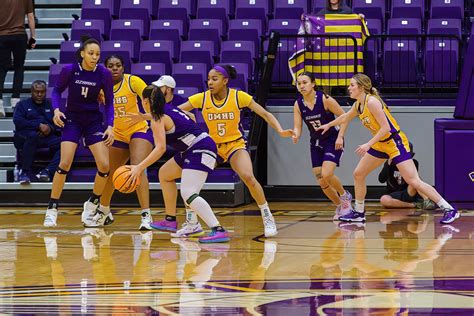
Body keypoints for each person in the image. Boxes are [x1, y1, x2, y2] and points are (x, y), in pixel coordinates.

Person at [164, 64, 294, 238]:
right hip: (211, 146)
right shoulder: (201, 98)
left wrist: (280, 130)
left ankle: (267, 217)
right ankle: (192, 223)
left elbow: (264, 113)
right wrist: (189, 117)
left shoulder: (238, 96)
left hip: (234, 145)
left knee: (248, 177)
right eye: (208, 79)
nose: (210, 82)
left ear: (225, 81)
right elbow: (175, 113)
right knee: (190, 183)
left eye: (214, 79)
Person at [317, 73, 460, 224]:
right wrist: (329, 125)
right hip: (380, 144)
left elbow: (386, 128)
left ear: (361, 87)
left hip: (394, 143)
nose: (349, 88)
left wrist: (368, 144)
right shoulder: (358, 104)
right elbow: (345, 117)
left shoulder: (372, 102)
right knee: (358, 174)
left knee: (414, 180)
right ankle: (359, 212)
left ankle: (449, 209)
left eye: (352, 85)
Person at [125, 85, 230, 243]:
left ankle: (218, 229)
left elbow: (160, 148)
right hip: (194, 147)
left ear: (145, 101)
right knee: (165, 174)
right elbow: (189, 116)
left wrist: (139, 167)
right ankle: (172, 220)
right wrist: (143, 117)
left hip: (200, 148)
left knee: (188, 193)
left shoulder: (157, 118)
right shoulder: (168, 108)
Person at [43, 36, 115, 228]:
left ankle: (92, 204)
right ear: (82, 54)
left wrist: (110, 125)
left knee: (105, 165)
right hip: (73, 119)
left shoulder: (103, 73)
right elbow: (57, 92)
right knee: (65, 162)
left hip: (93, 121)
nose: (94, 57)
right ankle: (52, 208)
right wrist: (57, 110)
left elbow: (109, 101)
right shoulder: (70, 70)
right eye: (91, 53)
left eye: (98, 54)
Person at [96, 55, 154, 230]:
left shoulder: (133, 81)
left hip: (138, 129)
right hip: (117, 133)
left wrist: (145, 115)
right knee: (109, 173)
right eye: (111, 66)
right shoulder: (101, 88)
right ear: (105, 68)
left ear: (123, 67)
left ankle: (146, 215)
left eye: (118, 65)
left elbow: (152, 97)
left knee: (137, 167)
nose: (115, 68)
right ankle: (104, 211)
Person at [292, 72, 352, 219]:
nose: (301, 86)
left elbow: (345, 117)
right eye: (299, 83)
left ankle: (345, 196)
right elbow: (298, 126)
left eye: (305, 82)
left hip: (332, 140)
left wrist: (340, 136)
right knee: (321, 179)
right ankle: (340, 206)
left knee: (327, 173)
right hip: (316, 142)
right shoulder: (298, 104)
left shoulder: (325, 99)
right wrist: (295, 134)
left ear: (313, 84)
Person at [13, 80, 60, 184]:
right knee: (32, 136)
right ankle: (24, 172)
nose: (39, 94)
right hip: (25, 136)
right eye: (36, 92)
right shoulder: (22, 105)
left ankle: (47, 171)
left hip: (45, 137)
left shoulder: (50, 105)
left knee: (65, 144)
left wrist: (50, 128)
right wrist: (38, 126)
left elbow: (57, 123)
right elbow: (18, 121)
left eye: (42, 92)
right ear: (31, 91)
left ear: (46, 92)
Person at [0, 0, 36, 116]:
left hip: (2, 35)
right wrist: (33, 37)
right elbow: (30, 17)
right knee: (19, 67)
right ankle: (15, 99)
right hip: (19, 35)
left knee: (1, 68)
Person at [378, 143, 436, 210]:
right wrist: (387, 165)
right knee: (384, 200)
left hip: (408, 192)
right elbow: (381, 180)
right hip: (393, 194)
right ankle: (414, 205)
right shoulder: (389, 163)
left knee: (417, 178)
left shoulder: (414, 162)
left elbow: (413, 181)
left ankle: (427, 201)